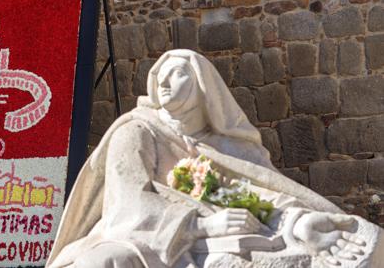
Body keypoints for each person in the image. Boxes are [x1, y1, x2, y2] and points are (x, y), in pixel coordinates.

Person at [47, 50, 382, 268]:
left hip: (220, 233)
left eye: (177, 73)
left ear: (203, 87)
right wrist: (201, 225)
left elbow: (250, 196)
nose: (163, 81)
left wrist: (296, 222)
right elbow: (127, 203)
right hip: (139, 238)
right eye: (158, 75)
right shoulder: (136, 131)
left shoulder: (224, 146)